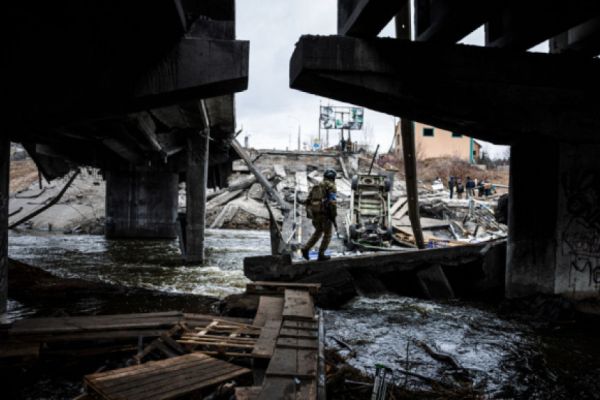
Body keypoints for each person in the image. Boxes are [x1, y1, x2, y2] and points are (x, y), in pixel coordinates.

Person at [302, 169, 337, 261]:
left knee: (318, 232)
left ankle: (306, 249)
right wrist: (333, 215)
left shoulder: (317, 185)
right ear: (333, 178)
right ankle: (321, 254)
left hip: (315, 213)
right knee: (328, 235)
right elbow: (332, 203)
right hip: (325, 214)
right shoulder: (331, 186)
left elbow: (308, 199)